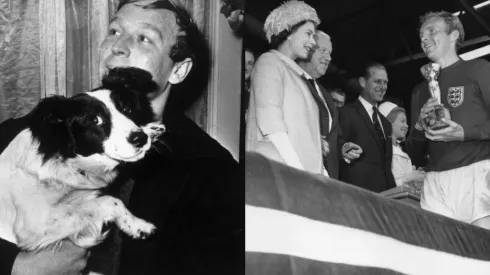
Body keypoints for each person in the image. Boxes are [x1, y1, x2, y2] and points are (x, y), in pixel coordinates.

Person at [0, 0, 243, 274]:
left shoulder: (212, 171)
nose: (118, 46)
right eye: (114, 31)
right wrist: (14, 266)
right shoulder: (41, 127)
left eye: (144, 38)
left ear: (179, 70)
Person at [406, 11, 490, 229]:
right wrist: (417, 126)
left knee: (483, 253)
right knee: (439, 256)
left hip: (477, 173)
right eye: (422, 35)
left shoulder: (478, 69)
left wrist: (464, 133)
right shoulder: (419, 90)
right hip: (435, 181)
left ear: (453, 35)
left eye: (431, 31)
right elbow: (414, 152)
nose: (424, 39)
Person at [245, 0, 324, 174]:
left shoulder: (297, 77)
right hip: (278, 177)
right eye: (308, 34)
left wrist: (322, 172)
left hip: (302, 178)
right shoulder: (269, 62)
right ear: (288, 31)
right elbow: (271, 124)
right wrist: (298, 170)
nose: (313, 42)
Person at [297, 30, 360, 179]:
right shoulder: (288, 80)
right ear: (306, 48)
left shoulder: (325, 95)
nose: (329, 58)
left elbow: (334, 137)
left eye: (330, 53)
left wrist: (344, 148)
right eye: (323, 50)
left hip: (327, 182)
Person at [338, 62, 396, 192]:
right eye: (378, 81)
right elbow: (337, 146)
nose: (383, 87)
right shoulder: (345, 113)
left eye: (385, 82)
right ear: (363, 82)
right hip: (357, 196)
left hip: (385, 198)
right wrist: (345, 152)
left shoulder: (386, 124)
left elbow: (386, 166)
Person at [379, 101, 426, 187]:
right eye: (402, 121)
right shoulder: (379, 150)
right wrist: (408, 179)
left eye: (406, 122)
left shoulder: (402, 150)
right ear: (388, 122)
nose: (406, 126)